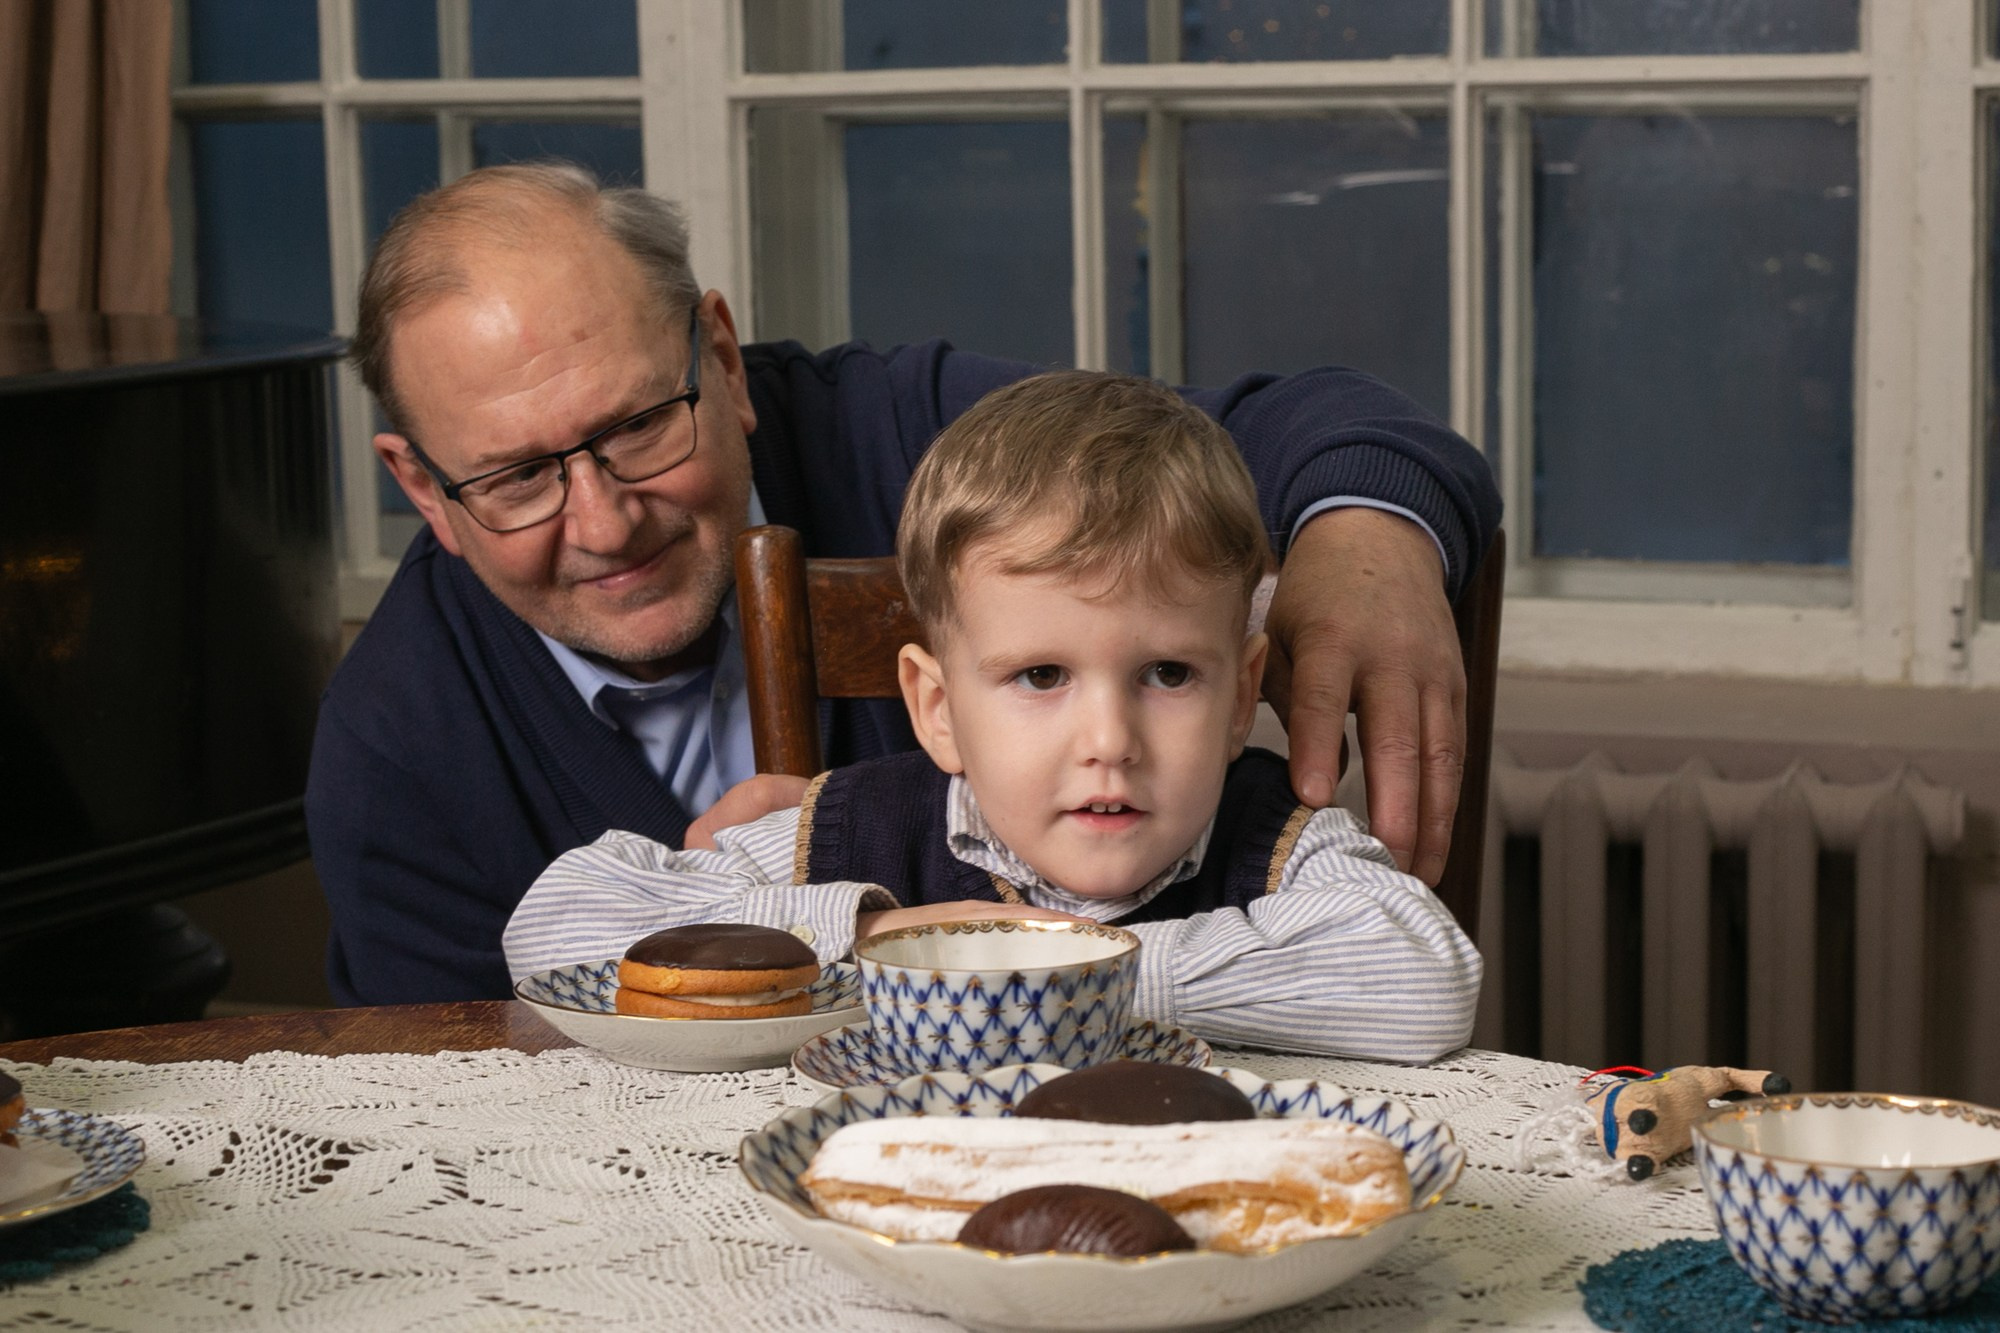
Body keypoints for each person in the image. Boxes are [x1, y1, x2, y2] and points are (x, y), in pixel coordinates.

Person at [308, 161, 1500, 1007]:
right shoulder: (394, 740)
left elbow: (1273, 427)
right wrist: (872, 937)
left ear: (719, 360)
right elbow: (452, 1097)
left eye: (636, 425)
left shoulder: (913, 436)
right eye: (516, 475)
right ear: (421, 488)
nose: (606, 518)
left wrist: (1367, 530)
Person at [505, 371, 1481, 1060]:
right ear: (935, 707)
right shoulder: (851, 837)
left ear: (1241, 695)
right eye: (1042, 675)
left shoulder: (1279, 847)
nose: (1108, 741)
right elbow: (558, 923)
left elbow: (1426, 977)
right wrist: (894, 937)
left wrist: (1050, 969)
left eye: (1169, 674)